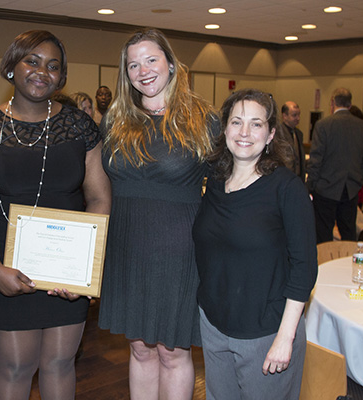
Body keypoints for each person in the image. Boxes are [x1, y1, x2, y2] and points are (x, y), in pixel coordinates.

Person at [0, 30, 111, 399]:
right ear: (11, 67)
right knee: (15, 367)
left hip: (66, 271)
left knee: (60, 364)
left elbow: (100, 199)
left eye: (53, 66)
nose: (43, 71)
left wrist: (85, 270)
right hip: (6, 264)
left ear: (62, 78)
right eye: (32, 61)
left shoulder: (79, 127)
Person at [98, 28, 218, 399]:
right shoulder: (115, 121)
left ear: (170, 63)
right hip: (126, 245)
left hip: (178, 249)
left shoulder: (204, 119)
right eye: (133, 64)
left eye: (151, 59)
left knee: (172, 350)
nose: (143, 70)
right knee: (138, 347)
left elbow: (227, 188)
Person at [193, 89, 318, 400]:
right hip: (215, 325)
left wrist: (285, 338)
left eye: (256, 124)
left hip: (266, 333)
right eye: (236, 122)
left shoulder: (287, 189)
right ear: (224, 130)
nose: (244, 132)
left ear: (271, 133)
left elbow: (304, 268)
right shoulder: (215, 184)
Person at [307, 87, 363, 243]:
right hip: (350, 190)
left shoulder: (323, 125)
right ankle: (348, 262)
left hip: (325, 189)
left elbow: (316, 160)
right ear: (350, 104)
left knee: (323, 234)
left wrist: (309, 187)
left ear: (332, 103)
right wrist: (357, 182)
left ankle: (325, 265)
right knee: (348, 232)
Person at [280, 101, 306, 182]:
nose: (298, 118)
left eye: (299, 115)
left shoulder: (299, 134)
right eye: (294, 115)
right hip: (284, 178)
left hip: (298, 179)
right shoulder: (278, 134)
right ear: (284, 116)